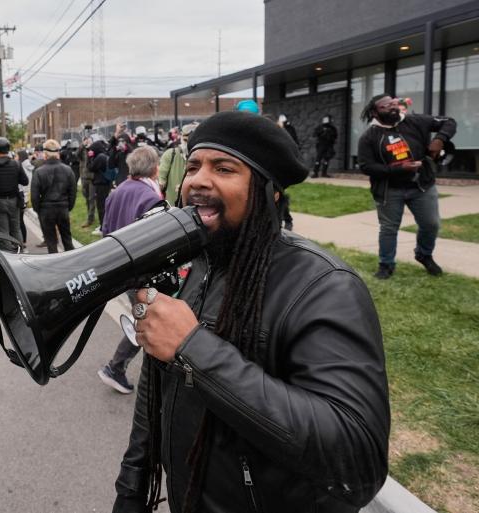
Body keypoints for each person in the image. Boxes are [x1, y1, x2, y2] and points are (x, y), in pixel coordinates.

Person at [113, 111, 390, 512]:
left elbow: (355, 458)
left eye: (224, 168)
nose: (198, 180)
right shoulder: (193, 268)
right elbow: (154, 397)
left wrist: (194, 348)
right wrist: (131, 493)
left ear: (269, 192)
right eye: (193, 166)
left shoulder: (323, 286)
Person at [357, 94, 455, 279]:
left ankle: (424, 254)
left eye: (395, 103)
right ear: (374, 112)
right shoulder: (369, 136)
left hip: (422, 186)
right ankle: (386, 265)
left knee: (431, 224)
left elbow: (449, 121)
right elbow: (366, 166)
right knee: (389, 228)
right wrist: (397, 169)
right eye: (386, 106)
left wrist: (439, 140)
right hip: (389, 190)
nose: (393, 107)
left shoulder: (415, 121)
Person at [97, 146, 164, 394]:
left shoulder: (118, 192)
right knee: (147, 320)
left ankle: (118, 368)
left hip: (121, 269)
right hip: (142, 272)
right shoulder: (151, 198)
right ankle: (116, 368)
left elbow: (105, 230)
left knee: (145, 318)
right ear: (155, 168)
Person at [31, 139, 77, 253]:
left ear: (45, 154)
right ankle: (74, 263)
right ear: (58, 153)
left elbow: (34, 196)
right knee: (67, 239)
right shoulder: (68, 170)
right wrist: (68, 206)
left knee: (51, 242)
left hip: (46, 210)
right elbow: (73, 192)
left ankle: (56, 267)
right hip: (62, 208)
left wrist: (39, 210)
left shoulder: (39, 171)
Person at [0, 136, 28, 249]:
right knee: (16, 228)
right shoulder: (16, 164)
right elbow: (25, 181)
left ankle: (8, 256)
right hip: (14, 200)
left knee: (3, 230)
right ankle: (20, 252)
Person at [157, 122, 198, 206]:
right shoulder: (170, 155)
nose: (188, 144)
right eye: (186, 140)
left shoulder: (203, 158)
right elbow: (160, 182)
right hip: (173, 208)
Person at [88, 139, 112, 235]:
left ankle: (103, 228)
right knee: (104, 206)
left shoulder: (100, 157)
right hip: (105, 183)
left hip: (101, 184)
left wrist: (90, 157)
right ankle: (104, 225)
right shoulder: (104, 155)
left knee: (101, 206)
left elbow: (90, 168)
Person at [78, 137, 96, 228]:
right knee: (86, 197)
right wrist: (82, 145)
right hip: (84, 177)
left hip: (92, 178)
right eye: (86, 140)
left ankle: (90, 219)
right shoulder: (82, 150)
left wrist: (91, 147)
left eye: (89, 140)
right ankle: (90, 214)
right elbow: (77, 155)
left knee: (91, 198)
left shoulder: (94, 149)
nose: (88, 142)